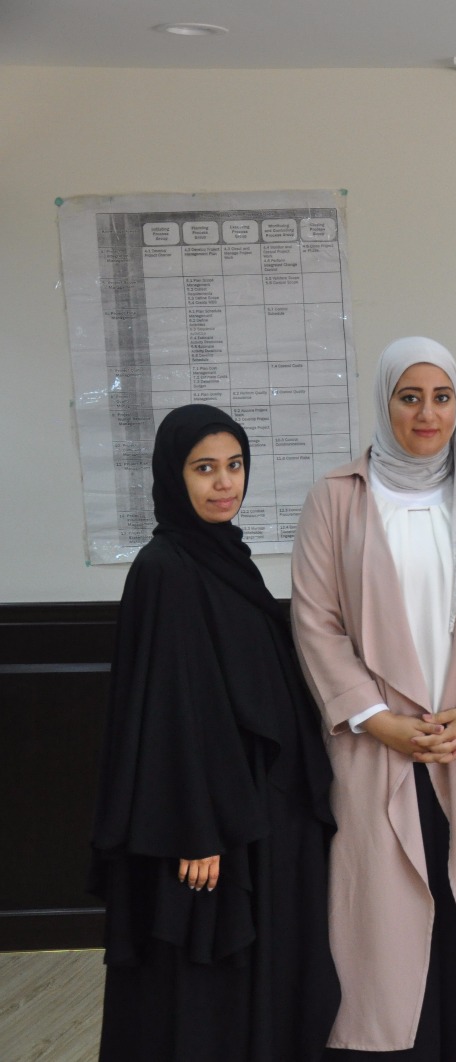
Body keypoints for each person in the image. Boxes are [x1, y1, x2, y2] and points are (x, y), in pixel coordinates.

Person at [291, 337, 456, 1059]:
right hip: (378, 749)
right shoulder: (336, 498)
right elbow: (315, 622)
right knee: (389, 934)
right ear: (385, 404)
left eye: (442, 397)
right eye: (410, 398)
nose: (427, 414)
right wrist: (378, 720)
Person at [90, 404, 339, 1061]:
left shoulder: (229, 559)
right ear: (174, 476)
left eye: (234, 466)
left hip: (261, 812)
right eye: (204, 469)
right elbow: (167, 712)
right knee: (205, 990)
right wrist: (195, 829)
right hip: (210, 828)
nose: (224, 483)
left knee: (265, 980)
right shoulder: (163, 568)